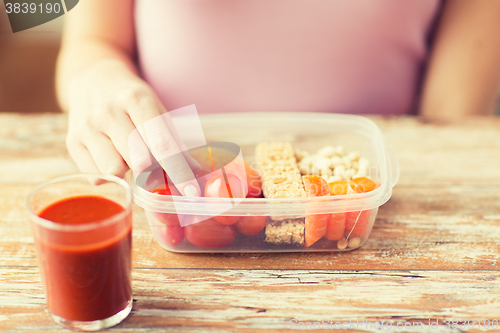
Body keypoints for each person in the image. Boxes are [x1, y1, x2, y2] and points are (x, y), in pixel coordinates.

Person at [56, 0, 500, 196]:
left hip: (380, 197)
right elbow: (91, 40)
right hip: (171, 192)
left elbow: (452, 123)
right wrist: (96, 77)